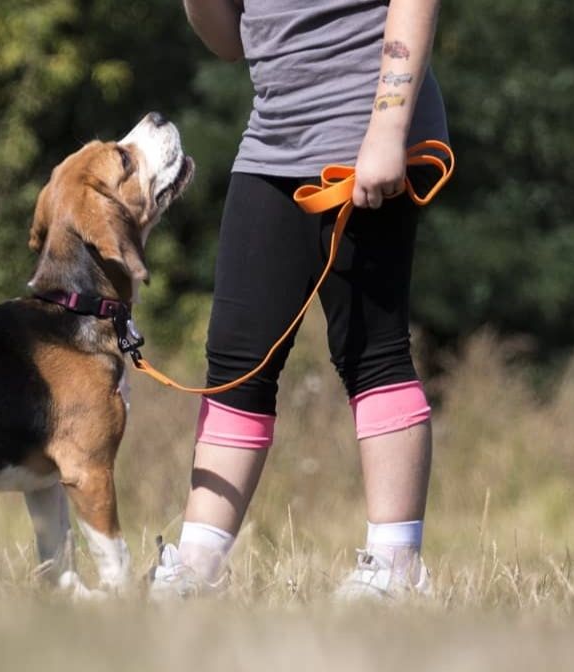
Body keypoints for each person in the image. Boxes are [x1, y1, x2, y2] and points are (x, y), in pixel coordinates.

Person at [151, 0, 448, 599]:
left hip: (368, 133)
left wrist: (388, 130)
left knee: (372, 351)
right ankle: (198, 566)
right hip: (273, 139)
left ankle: (396, 566)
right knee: (236, 361)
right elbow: (230, 41)